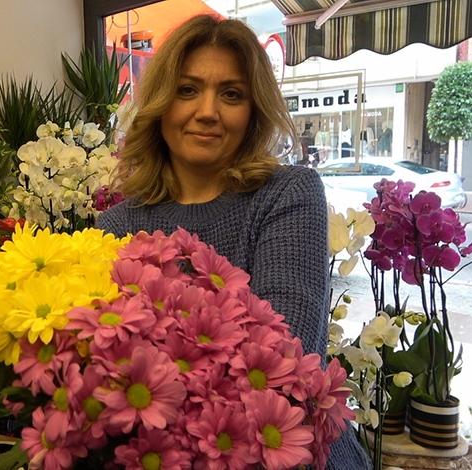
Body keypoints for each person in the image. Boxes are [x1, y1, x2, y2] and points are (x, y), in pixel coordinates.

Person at [96, 15, 368, 470]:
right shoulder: (115, 225)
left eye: (232, 94)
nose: (207, 111)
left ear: (253, 111)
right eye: (187, 89)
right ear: (160, 104)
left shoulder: (287, 194)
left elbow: (286, 361)